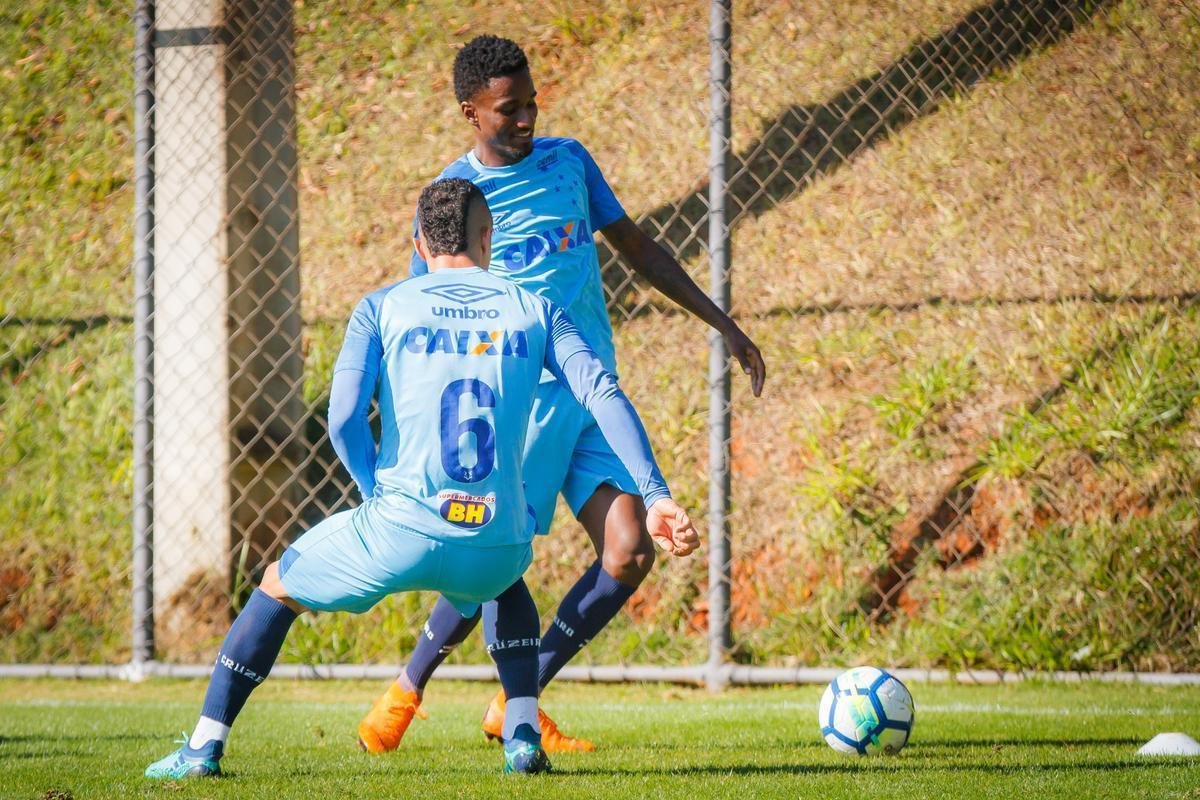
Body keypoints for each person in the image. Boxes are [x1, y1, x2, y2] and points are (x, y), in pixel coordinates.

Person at [144, 178, 698, 779]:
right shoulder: (535, 309)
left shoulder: (383, 306)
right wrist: (656, 494)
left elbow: (344, 416)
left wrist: (370, 490)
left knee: (276, 586)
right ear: (489, 240)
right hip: (492, 541)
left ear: (418, 242)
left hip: (395, 532)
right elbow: (603, 393)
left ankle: (203, 748)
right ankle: (520, 734)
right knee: (506, 581)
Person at [354, 35, 765, 755]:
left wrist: (722, 322)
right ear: (469, 112)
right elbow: (423, 310)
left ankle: (518, 697)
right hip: (516, 403)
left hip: (589, 391)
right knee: (493, 559)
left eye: (532, 102)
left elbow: (637, 249)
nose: (526, 118)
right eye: (509, 109)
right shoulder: (454, 200)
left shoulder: (570, 162)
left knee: (630, 548)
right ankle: (410, 687)